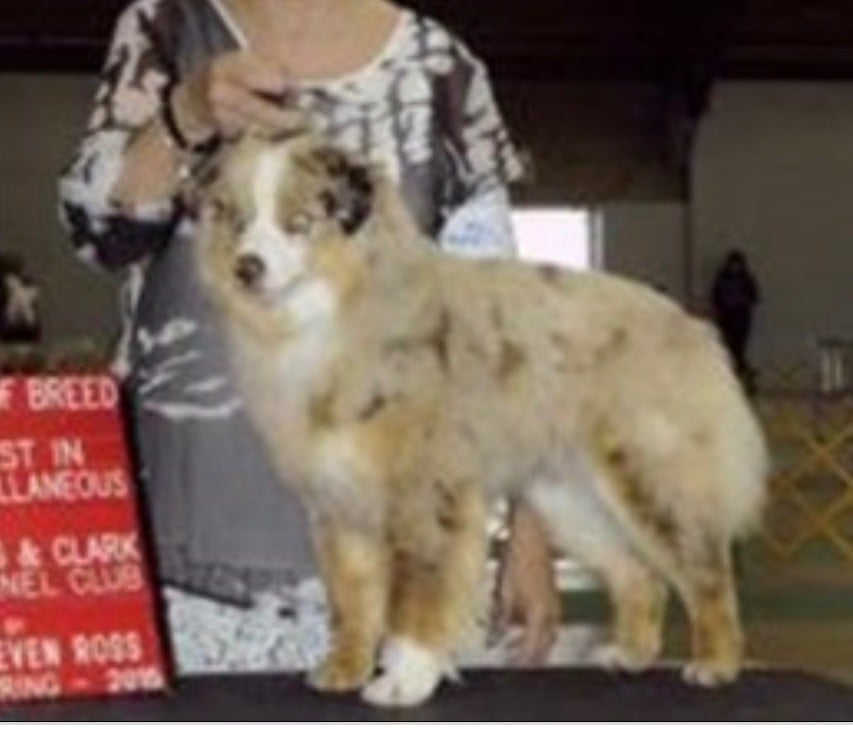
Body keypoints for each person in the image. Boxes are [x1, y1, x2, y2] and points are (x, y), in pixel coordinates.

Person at [59, 0, 560, 673]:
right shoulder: (167, 26)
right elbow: (97, 235)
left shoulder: (443, 67)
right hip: (184, 568)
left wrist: (530, 525)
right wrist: (184, 117)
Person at [710, 249, 760, 391]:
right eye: (733, 264)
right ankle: (732, 380)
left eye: (737, 264)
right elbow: (716, 298)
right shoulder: (722, 279)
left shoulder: (746, 279)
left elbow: (754, 297)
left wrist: (741, 303)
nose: (735, 267)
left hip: (741, 319)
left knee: (738, 351)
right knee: (727, 351)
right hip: (726, 318)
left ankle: (746, 381)